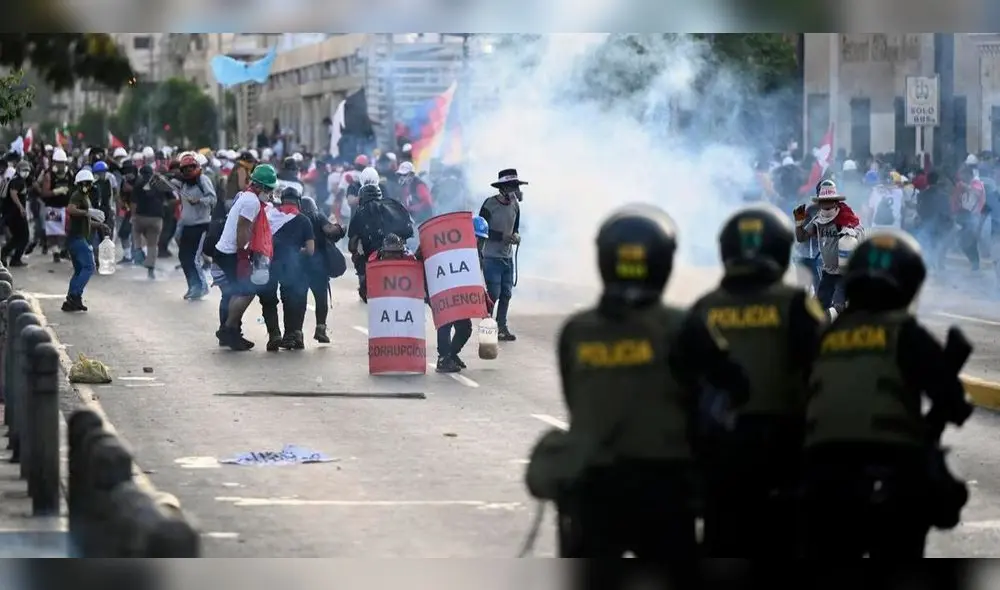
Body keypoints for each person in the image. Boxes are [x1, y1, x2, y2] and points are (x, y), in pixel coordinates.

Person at [527, 204, 749, 558]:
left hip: (593, 485)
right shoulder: (681, 325)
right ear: (662, 264)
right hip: (665, 484)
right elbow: (733, 388)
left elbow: (576, 400)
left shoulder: (576, 331)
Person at [801, 229, 973, 558]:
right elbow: (952, 402)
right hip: (891, 471)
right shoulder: (905, 332)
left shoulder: (826, 334)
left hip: (821, 473)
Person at [688, 203, 826, 557]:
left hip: (718, 450)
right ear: (780, 251)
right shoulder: (795, 303)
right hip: (785, 448)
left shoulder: (704, 306)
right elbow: (824, 371)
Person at [213, 163, 278, 351]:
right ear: (260, 186)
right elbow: (243, 228)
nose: (270, 193)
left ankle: (229, 332)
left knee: (232, 293)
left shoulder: (246, 196)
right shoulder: (252, 202)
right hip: (231, 253)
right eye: (268, 189)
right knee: (246, 290)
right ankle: (229, 329)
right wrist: (244, 255)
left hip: (226, 250)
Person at [428, 215, 493, 373]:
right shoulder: (449, 250)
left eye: (482, 240)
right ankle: (443, 359)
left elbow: (475, 279)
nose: (479, 243)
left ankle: (451, 354)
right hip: (443, 292)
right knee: (445, 323)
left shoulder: (477, 256)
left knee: (465, 328)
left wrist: (485, 299)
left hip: (460, 297)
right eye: (477, 238)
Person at [794, 180, 864, 318]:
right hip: (828, 272)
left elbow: (859, 230)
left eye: (829, 200)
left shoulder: (844, 218)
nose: (826, 203)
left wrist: (851, 233)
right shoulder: (817, 220)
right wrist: (798, 223)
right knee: (819, 309)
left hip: (844, 273)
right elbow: (801, 238)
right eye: (823, 200)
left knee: (838, 307)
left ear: (835, 201)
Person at [259, 186, 315, 351]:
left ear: (282, 200)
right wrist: (297, 251)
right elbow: (310, 250)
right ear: (298, 202)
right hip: (292, 267)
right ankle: (290, 336)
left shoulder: (270, 216)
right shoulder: (304, 220)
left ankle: (274, 334)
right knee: (290, 300)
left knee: (268, 301)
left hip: (268, 264)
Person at [347, 182, 414, 302]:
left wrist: (355, 254)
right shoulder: (395, 204)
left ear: (361, 198)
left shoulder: (360, 211)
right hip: (400, 251)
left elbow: (353, 240)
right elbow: (410, 230)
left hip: (375, 254)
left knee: (360, 261)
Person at [479, 169, 524, 342]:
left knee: (506, 293)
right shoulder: (489, 205)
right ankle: (487, 326)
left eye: (516, 186)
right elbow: (481, 230)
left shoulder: (515, 206)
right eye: (512, 186)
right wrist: (501, 237)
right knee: (493, 294)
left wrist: (516, 236)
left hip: (507, 256)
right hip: (491, 256)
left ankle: (502, 326)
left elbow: (516, 228)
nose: (516, 190)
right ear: (503, 188)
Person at [62, 169, 111, 312]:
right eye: (85, 183)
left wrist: (100, 225)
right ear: (79, 183)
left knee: (79, 270)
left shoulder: (85, 196)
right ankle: (74, 295)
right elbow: (71, 209)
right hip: (76, 238)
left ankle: (73, 300)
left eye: (89, 183)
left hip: (77, 237)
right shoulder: (78, 195)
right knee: (89, 266)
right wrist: (88, 212)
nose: (87, 186)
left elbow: (85, 221)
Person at [300, 196, 345, 343]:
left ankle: (295, 333)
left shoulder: (296, 218)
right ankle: (321, 329)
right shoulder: (318, 216)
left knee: (298, 301)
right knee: (321, 300)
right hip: (318, 267)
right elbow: (331, 231)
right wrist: (341, 228)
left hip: (300, 266)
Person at [175, 153, 217, 300]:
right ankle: (193, 286)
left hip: (201, 225)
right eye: (185, 168)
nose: (188, 171)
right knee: (183, 257)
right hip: (187, 225)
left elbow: (212, 199)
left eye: (191, 167)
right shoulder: (184, 184)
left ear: (196, 166)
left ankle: (202, 286)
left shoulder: (203, 180)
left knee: (193, 258)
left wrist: (199, 200)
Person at [130, 165, 175, 279]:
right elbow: (173, 198)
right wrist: (163, 206)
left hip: (141, 217)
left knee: (136, 234)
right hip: (156, 218)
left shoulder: (138, 184)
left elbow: (133, 203)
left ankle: (139, 253)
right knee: (153, 244)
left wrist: (133, 216)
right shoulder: (160, 183)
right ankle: (151, 269)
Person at [40, 147, 75, 263]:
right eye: (58, 163)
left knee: (67, 230)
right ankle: (55, 252)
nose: (60, 165)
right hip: (52, 207)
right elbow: (44, 193)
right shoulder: (49, 175)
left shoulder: (69, 173)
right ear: (54, 162)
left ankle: (64, 250)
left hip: (65, 207)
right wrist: (56, 191)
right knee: (53, 231)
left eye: (62, 163)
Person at [1, 160, 32, 267]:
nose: (26, 172)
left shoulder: (15, 179)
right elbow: (13, 193)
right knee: (24, 236)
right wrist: (21, 208)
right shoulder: (18, 181)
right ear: (18, 170)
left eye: (27, 170)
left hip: (12, 214)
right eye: (24, 170)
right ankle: (15, 258)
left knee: (17, 237)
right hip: (16, 214)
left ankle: (5, 253)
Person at [90, 160, 116, 272]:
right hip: (95, 213)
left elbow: (110, 199)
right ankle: (96, 260)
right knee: (94, 238)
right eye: (99, 172)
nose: (102, 174)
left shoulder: (108, 183)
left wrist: (112, 210)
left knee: (107, 237)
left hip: (107, 213)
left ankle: (105, 262)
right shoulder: (91, 185)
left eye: (103, 172)